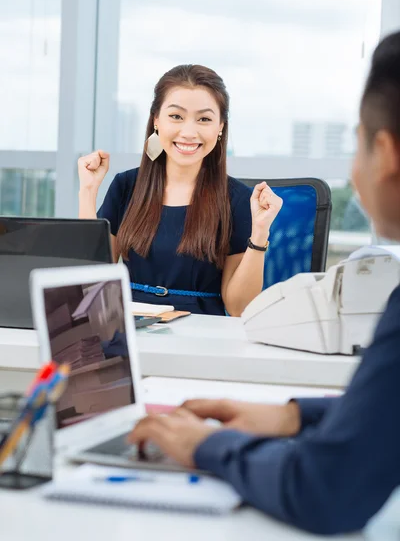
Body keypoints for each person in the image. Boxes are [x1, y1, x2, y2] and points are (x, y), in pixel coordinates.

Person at [128, 32, 400, 535]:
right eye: (175, 115)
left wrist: (204, 444)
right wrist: (292, 417)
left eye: (355, 142)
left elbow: (325, 488)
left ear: (385, 153)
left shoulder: (231, 197)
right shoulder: (128, 186)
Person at [78, 65, 282, 316]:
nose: (188, 132)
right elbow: (90, 282)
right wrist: (88, 191)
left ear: (220, 127)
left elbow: (239, 308)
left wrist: (260, 233)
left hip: (201, 333)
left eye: (204, 119)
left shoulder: (237, 199)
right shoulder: (126, 186)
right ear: (156, 120)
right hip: (131, 326)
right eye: (176, 116)